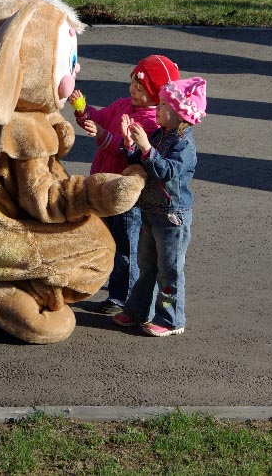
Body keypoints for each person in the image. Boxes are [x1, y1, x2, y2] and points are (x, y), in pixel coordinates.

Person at [68, 55, 180, 315]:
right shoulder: (122, 105)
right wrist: (83, 109)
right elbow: (98, 118)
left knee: (125, 246)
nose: (132, 90)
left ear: (156, 93)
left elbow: (130, 151)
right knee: (103, 238)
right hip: (103, 187)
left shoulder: (154, 121)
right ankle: (112, 284)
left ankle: (123, 296)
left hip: (125, 194)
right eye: (132, 83)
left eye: (139, 88)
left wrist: (103, 135)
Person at [112, 76, 207, 337]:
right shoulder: (159, 134)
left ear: (180, 115)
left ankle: (170, 319)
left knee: (169, 270)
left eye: (164, 105)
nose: (158, 109)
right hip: (150, 212)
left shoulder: (183, 145)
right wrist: (130, 145)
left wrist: (145, 148)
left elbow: (166, 172)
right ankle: (137, 310)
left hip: (172, 217)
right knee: (147, 266)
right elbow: (142, 164)